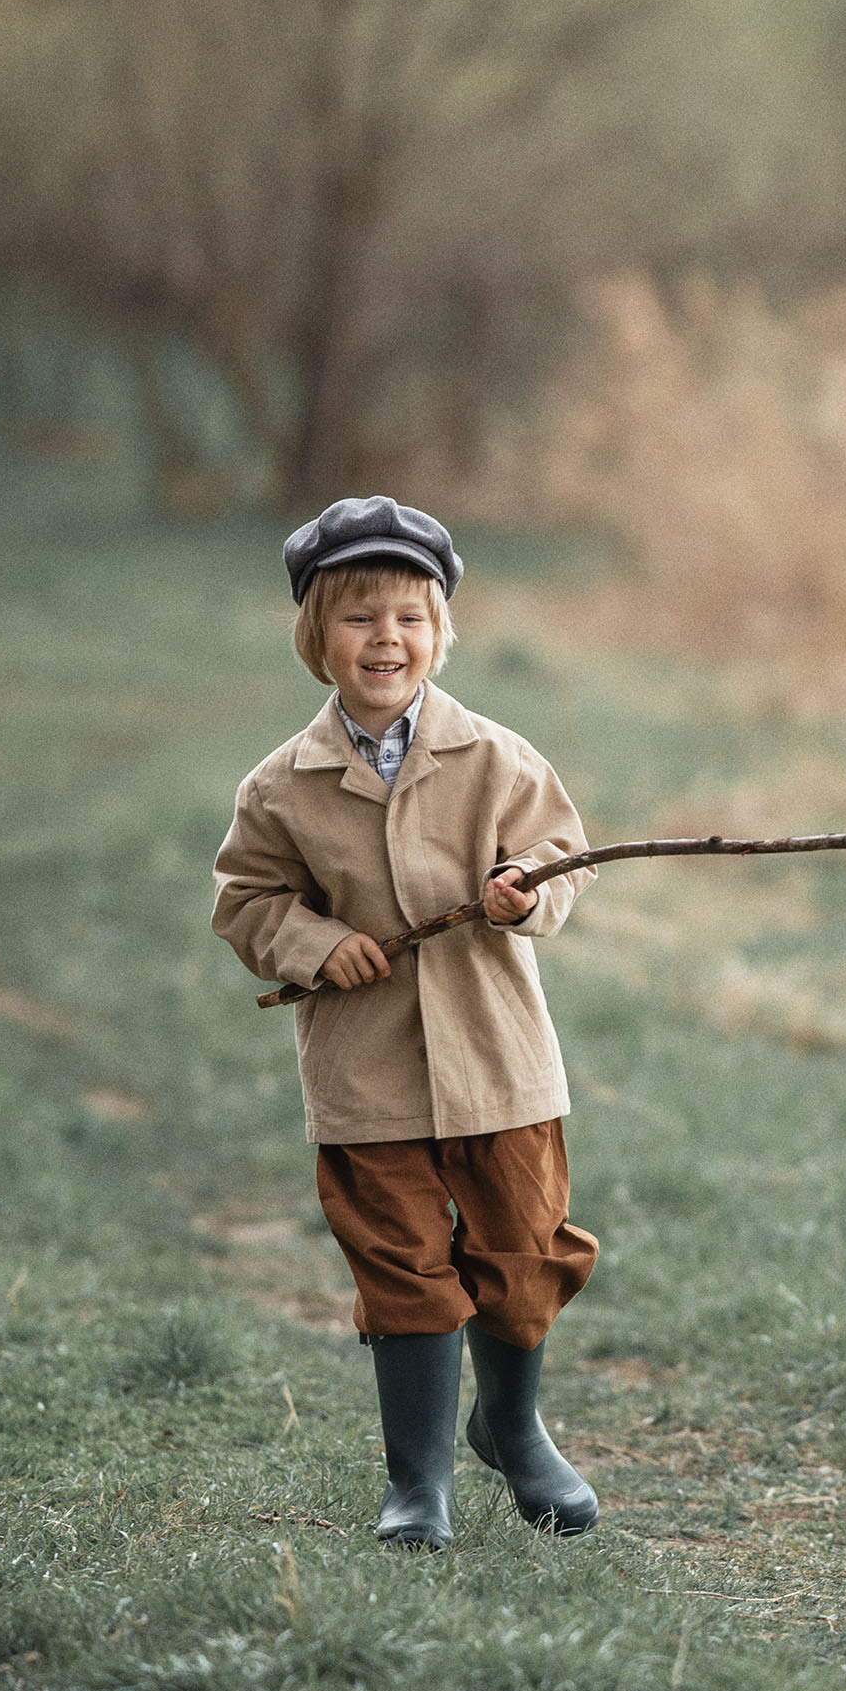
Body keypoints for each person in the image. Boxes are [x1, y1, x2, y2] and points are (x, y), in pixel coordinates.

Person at [212, 495, 600, 1547]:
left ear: (440, 633)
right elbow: (246, 901)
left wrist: (526, 887)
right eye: (359, 618)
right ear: (316, 639)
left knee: (525, 1255)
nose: (387, 639)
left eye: (410, 620)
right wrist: (310, 944)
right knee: (402, 1265)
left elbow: (561, 860)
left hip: (499, 1061)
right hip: (366, 1072)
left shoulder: (499, 760)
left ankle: (513, 1433)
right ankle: (416, 1479)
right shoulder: (281, 788)